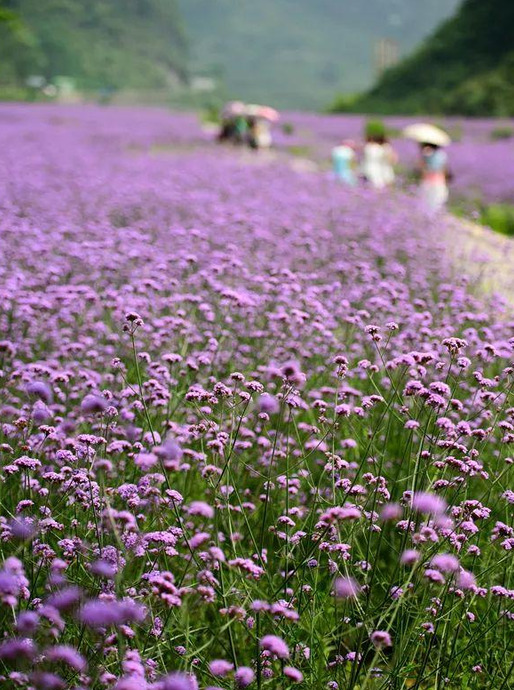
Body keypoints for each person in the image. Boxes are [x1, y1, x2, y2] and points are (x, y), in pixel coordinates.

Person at [361, 121, 397, 189]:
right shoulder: (384, 147)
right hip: (380, 168)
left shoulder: (368, 146)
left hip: (368, 168)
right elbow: (392, 159)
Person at [419, 143, 449, 211]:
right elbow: (444, 169)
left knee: (426, 199)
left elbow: (423, 168)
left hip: (428, 179)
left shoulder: (426, 153)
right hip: (439, 180)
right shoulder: (442, 155)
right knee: (437, 200)